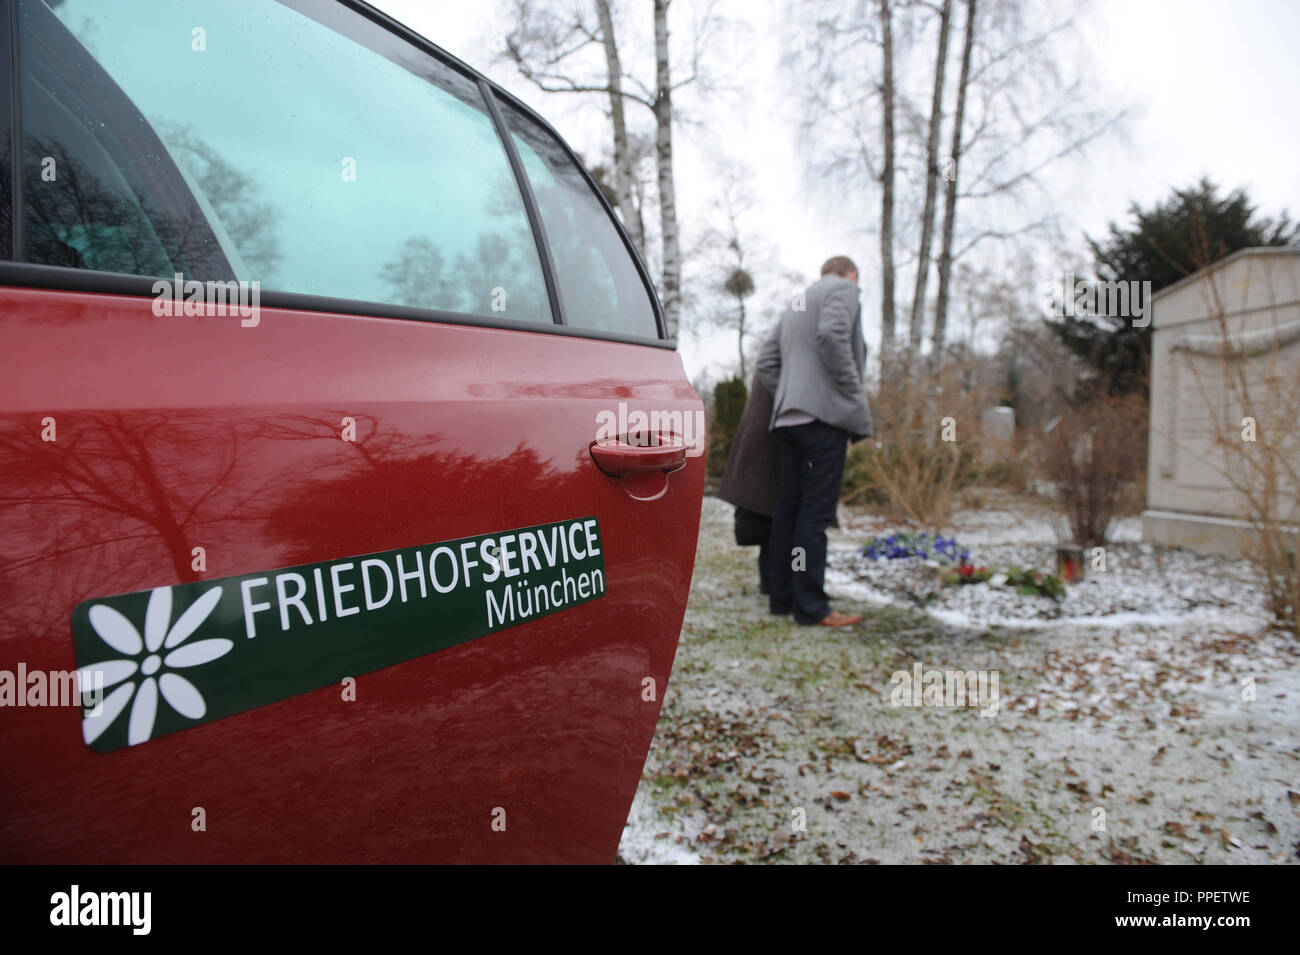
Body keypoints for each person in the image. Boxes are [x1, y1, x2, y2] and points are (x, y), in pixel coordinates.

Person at [756, 255, 872, 627]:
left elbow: (766, 363)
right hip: (822, 421)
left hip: (789, 420)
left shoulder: (798, 300)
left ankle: (783, 597)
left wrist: (791, 396)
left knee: (788, 512)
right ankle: (811, 607)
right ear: (851, 274)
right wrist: (851, 395)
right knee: (814, 515)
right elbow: (832, 336)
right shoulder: (844, 290)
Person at [716, 374, 782, 593]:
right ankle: (779, 582)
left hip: (761, 453)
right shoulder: (780, 370)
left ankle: (772, 582)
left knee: (770, 525)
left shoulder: (766, 370)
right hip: (772, 452)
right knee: (779, 525)